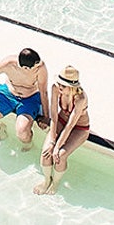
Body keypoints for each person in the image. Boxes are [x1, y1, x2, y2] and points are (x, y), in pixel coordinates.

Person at [0, 48, 48, 148]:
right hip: (7, 95)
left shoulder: (40, 68)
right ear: (26, 68)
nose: (39, 65)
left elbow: (43, 92)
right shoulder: (8, 64)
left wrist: (46, 117)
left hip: (29, 99)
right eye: (36, 65)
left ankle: (28, 144)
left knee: (22, 132)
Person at [35, 65, 91, 195]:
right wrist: (52, 142)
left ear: (72, 87)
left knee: (60, 155)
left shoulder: (80, 98)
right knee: (46, 152)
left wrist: (57, 146)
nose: (60, 86)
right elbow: (54, 115)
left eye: (63, 85)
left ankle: (55, 183)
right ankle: (46, 180)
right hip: (60, 121)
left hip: (79, 128)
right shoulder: (55, 88)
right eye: (59, 83)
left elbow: (71, 125)